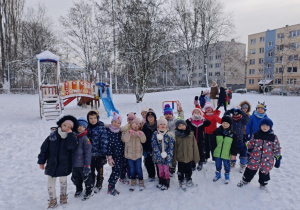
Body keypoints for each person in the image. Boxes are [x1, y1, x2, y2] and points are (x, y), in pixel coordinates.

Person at [38, 115, 78, 209]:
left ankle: (63, 197)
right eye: (65, 125)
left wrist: (71, 135)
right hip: (52, 164)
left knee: (63, 182)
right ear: (61, 125)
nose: (66, 128)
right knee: (50, 183)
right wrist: (41, 162)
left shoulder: (71, 137)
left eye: (69, 127)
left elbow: (72, 146)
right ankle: (52, 200)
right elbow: (44, 149)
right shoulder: (52, 136)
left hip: (64, 165)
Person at [237, 118, 282, 190]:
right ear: (260, 126)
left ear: (270, 127)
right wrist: (248, 153)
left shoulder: (273, 137)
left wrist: (278, 158)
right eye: (263, 125)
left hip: (267, 159)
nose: (264, 127)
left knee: (264, 172)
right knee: (250, 169)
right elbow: (251, 144)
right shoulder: (255, 135)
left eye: (267, 126)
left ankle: (263, 184)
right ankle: (245, 180)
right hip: (254, 157)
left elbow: (277, 148)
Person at [172, 120, 200, 190]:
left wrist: (196, 157)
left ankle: (188, 179)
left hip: (189, 157)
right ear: (177, 127)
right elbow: (174, 148)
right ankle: (181, 181)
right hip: (180, 157)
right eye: (179, 126)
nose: (181, 127)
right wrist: (173, 160)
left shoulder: (191, 134)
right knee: (180, 171)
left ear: (186, 125)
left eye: (183, 125)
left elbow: (194, 146)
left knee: (189, 170)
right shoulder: (176, 136)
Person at [211, 115, 238, 184]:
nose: (225, 124)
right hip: (217, 153)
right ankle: (218, 175)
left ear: (230, 124)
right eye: (223, 123)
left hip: (227, 154)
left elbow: (234, 145)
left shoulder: (233, 134)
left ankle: (227, 176)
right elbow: (213, 142)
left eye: (227, 123)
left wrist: (233, 154)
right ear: (221, 123)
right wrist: (213, 151)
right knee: (218, 165)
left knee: (227, 165)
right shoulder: (217, 131)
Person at [122, 118, 146, 191]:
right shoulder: (126, 131)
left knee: (138, 168)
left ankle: (141, 180)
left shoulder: (140, 132)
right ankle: (133, 180)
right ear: (132, 123)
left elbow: (144, 141)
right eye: (135, 124)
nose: (137, 126)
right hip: (129, 154)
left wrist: (141, 135)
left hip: (138, 154)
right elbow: (124, 140)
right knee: (132, 168)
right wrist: (129, 133)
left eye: (138, 125)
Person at [71, 117, 93, 201]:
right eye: (79, 126)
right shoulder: (72, 136)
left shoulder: (85, 138)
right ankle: (79, 189)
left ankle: (88, 190)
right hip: (74, 164)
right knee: (76, 178)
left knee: (86, 178)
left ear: (85, 128)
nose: (80, 128)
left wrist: (87, 165)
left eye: (83, 127)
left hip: (82, 164)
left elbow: (88, 153)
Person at [86, 110, 108, 193]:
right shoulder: (87, 128)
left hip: (99, 154)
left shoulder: (101, 127)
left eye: (94, 118)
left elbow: (104, 140)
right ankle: (91, 182)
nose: (93, 120)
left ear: (97, 118)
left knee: (100, 170)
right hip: (90, 155)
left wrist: (103, 153)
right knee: (91, 171)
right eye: (90, 118)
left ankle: (99, 182)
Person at [107, 113, 127, 196]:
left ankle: (122, 178)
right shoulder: (109, 132)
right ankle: (111, 187)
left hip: (121, 155)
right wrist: (109, 157)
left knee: (122, 168)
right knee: (115, 171)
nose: (116, 124)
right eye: (114, 122)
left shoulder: (120, 131)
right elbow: (108, 146)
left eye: (118, 123)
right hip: (114, 156)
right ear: (111, 122)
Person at [152, 116, 174, 190]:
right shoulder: (155, 134)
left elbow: (171, 145)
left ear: (166, 125)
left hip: (167, 156)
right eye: (160, 124)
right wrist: (158, 154)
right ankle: (161, 181)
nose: (162, 126)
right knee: (160, 169)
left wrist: (168, 155)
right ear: (158, 126)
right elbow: (154, 143)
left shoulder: (169, 134)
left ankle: (166, 182)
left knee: (166, 169)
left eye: (164, 124)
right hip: (158, 156)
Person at [224, 107, 250, 173]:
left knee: (244, 151)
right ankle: (232, 162)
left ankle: (243, 165)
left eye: (237, 114)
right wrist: (229, 111)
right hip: (231, 140)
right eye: (234, 115)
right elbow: (225, 117)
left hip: (240, 140)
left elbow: (247, 117)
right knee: (232, 151)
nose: (236, 116)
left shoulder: (242, 121)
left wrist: (241, 111)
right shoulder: (230, 121)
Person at [163, 103, 184, 176]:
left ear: (172, 114)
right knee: (166, 155)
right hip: (165, 142)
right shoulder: (163, 121)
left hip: (174, 141)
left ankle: (172, 167)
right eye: (166, 114)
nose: (168, 115)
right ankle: (167, 166)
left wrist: (180, 112)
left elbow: (181, 119)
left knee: (173, 155)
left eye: (169, 114)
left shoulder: (175, 120)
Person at [142, 110, 158, 181]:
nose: (150, 118)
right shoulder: (145, 127)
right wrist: (144, 149)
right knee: (149, 163)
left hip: (157, 149)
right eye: (149, 117)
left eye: (152, 117)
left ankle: (160, 175)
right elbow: (143, 138)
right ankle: (151, 175)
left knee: (158, 163)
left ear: (154, 117)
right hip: (148, 148)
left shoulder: (158, 125)